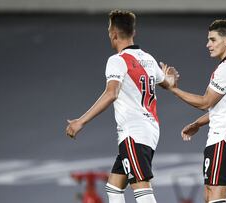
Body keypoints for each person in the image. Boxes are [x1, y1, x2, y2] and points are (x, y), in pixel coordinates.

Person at [65, 10, 177, 203]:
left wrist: (80, 121)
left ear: (113, 34)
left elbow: (111, 93)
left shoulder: (117, 61)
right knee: (114, 187)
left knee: (141, 186)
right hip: (149, 130)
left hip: (133, 132)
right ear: (134, 32)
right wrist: (170, 78)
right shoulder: (148, 59)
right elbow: (167, 84)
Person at [162, 19, 226, 203]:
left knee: (215, 198)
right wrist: (197, 124)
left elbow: (205, 102)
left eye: (213, 39)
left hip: (225, 136)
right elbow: (223, 109)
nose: (208, 44)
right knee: (209, 196)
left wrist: (172, 88)